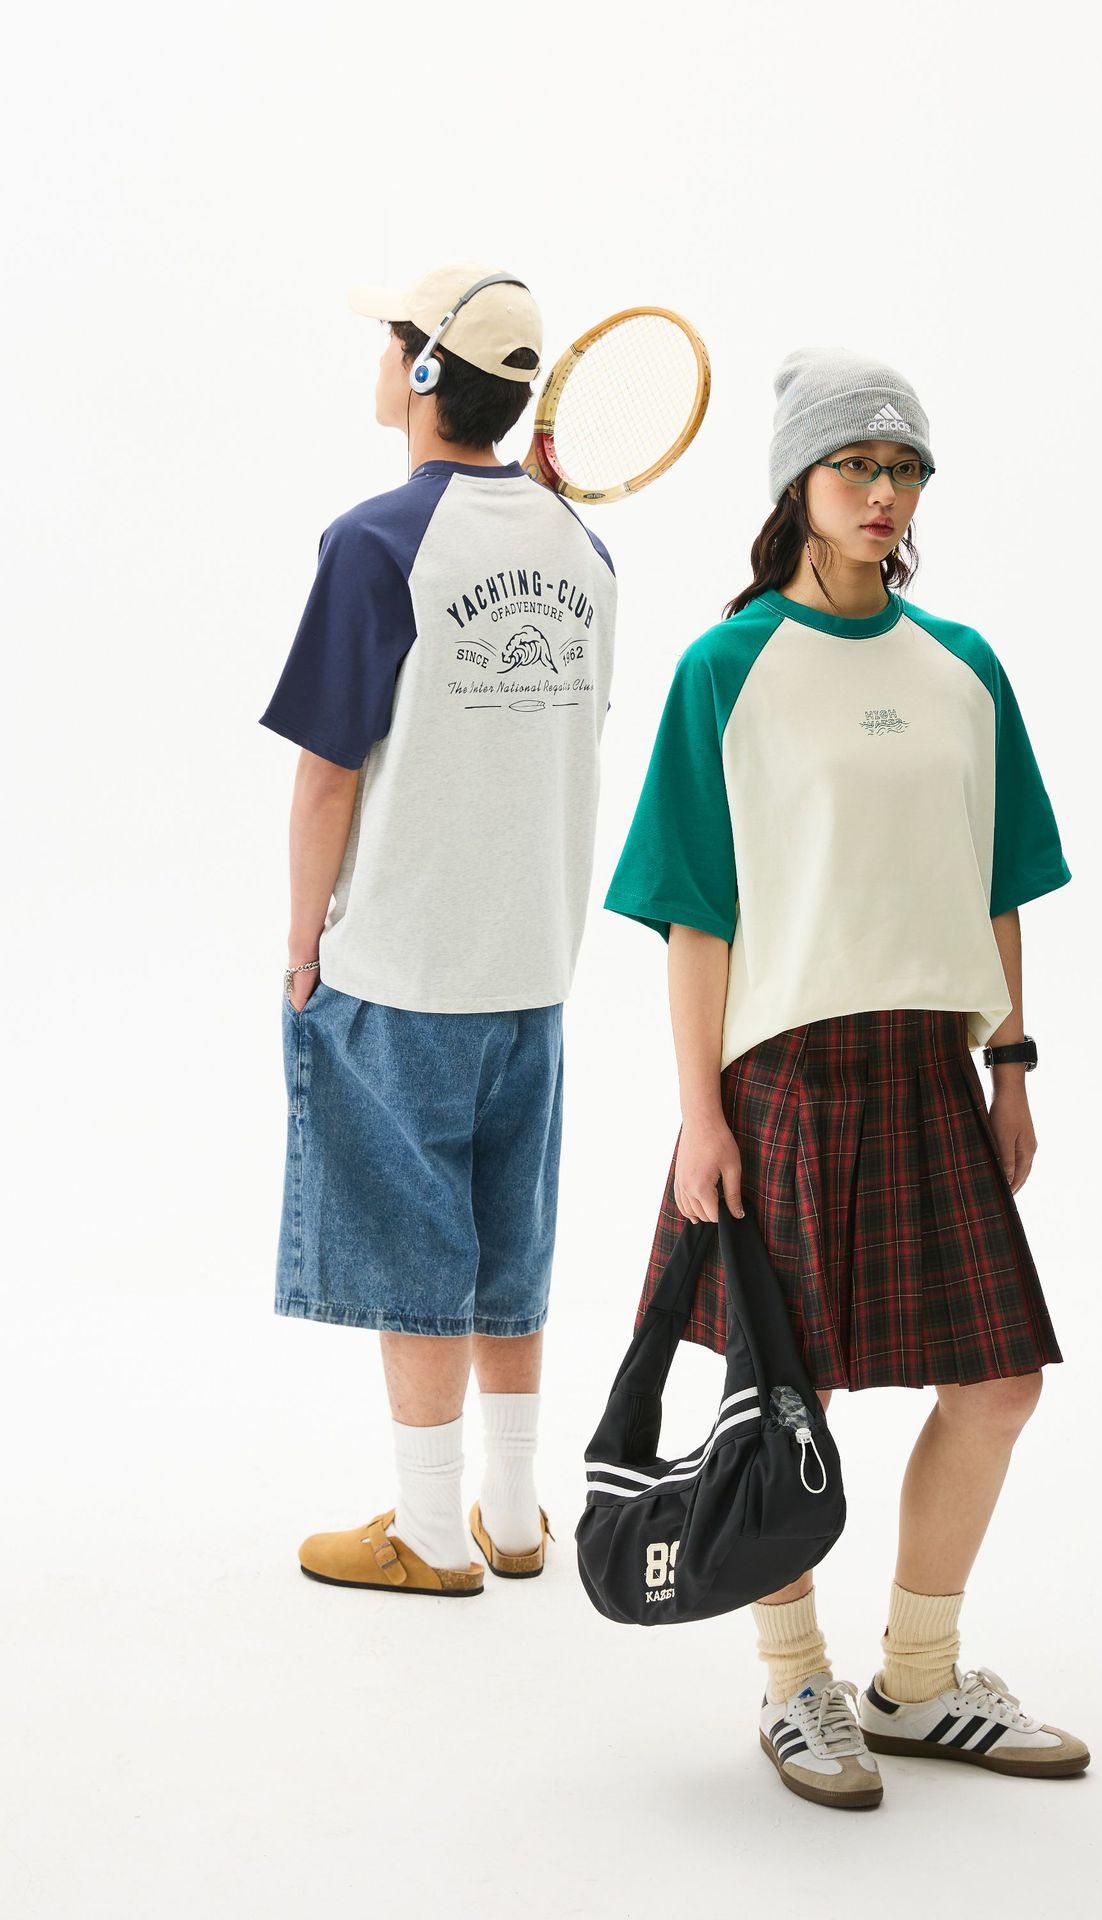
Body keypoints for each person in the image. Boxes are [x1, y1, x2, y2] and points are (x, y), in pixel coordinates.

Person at [603, 347, 1088, 1807]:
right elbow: (696, 914)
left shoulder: (963, 669)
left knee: (997, 1384)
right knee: (785, 1394)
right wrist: (699, 1114)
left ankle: (919, 1683)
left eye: (904, 469)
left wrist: (1010, 1065)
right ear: (797, 486)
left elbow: (1000, 883)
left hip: (932, 1069)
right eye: (854, 467)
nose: (883, 493)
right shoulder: (727, 668)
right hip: (785, 1080)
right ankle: (793, 1684)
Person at [259, 261, 617, 1597]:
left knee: (414, 1253)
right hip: (533, 965)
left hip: (404, 965)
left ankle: (426, 1533)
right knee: (509, 1247)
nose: (379, 361)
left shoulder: (373, 543)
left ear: (422, 372)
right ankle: (514, 1519)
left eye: (390, 341)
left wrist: (304, 940)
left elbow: (327, 774)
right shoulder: (587, 551)